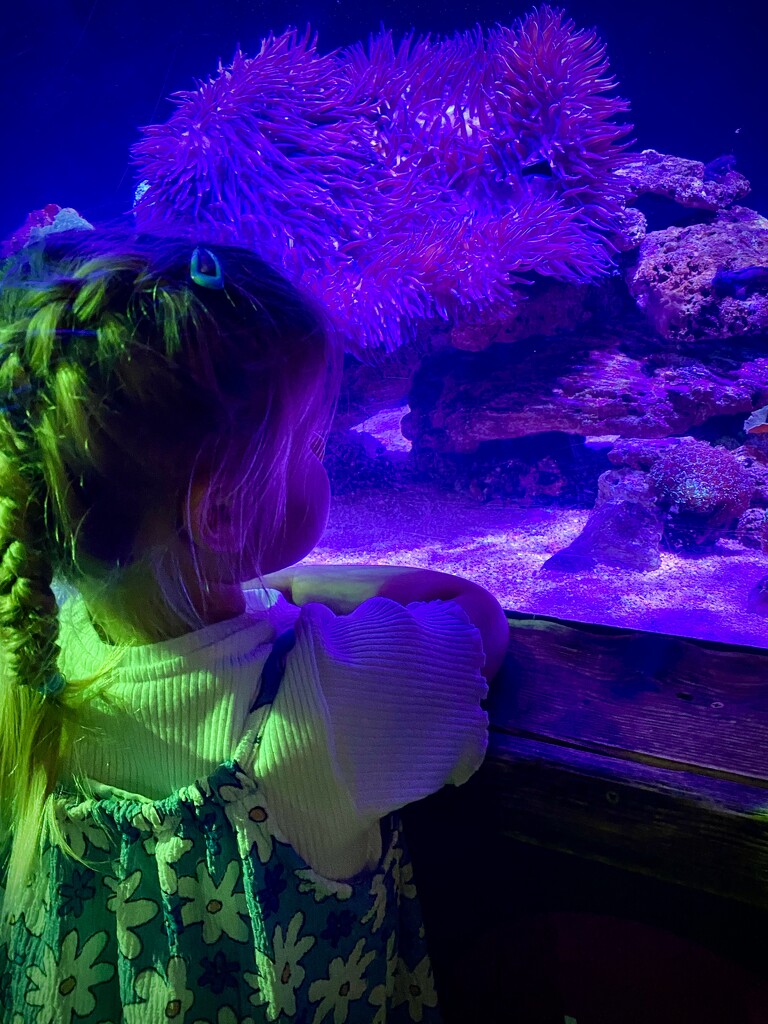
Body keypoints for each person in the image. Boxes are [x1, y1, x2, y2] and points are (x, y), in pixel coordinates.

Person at [0, 224, 509, 1023]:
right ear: (224, 514)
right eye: (310, 444)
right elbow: (475, 617)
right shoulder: (333, 694)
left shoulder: (31, 650)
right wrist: (302, 583)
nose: (321, 459)